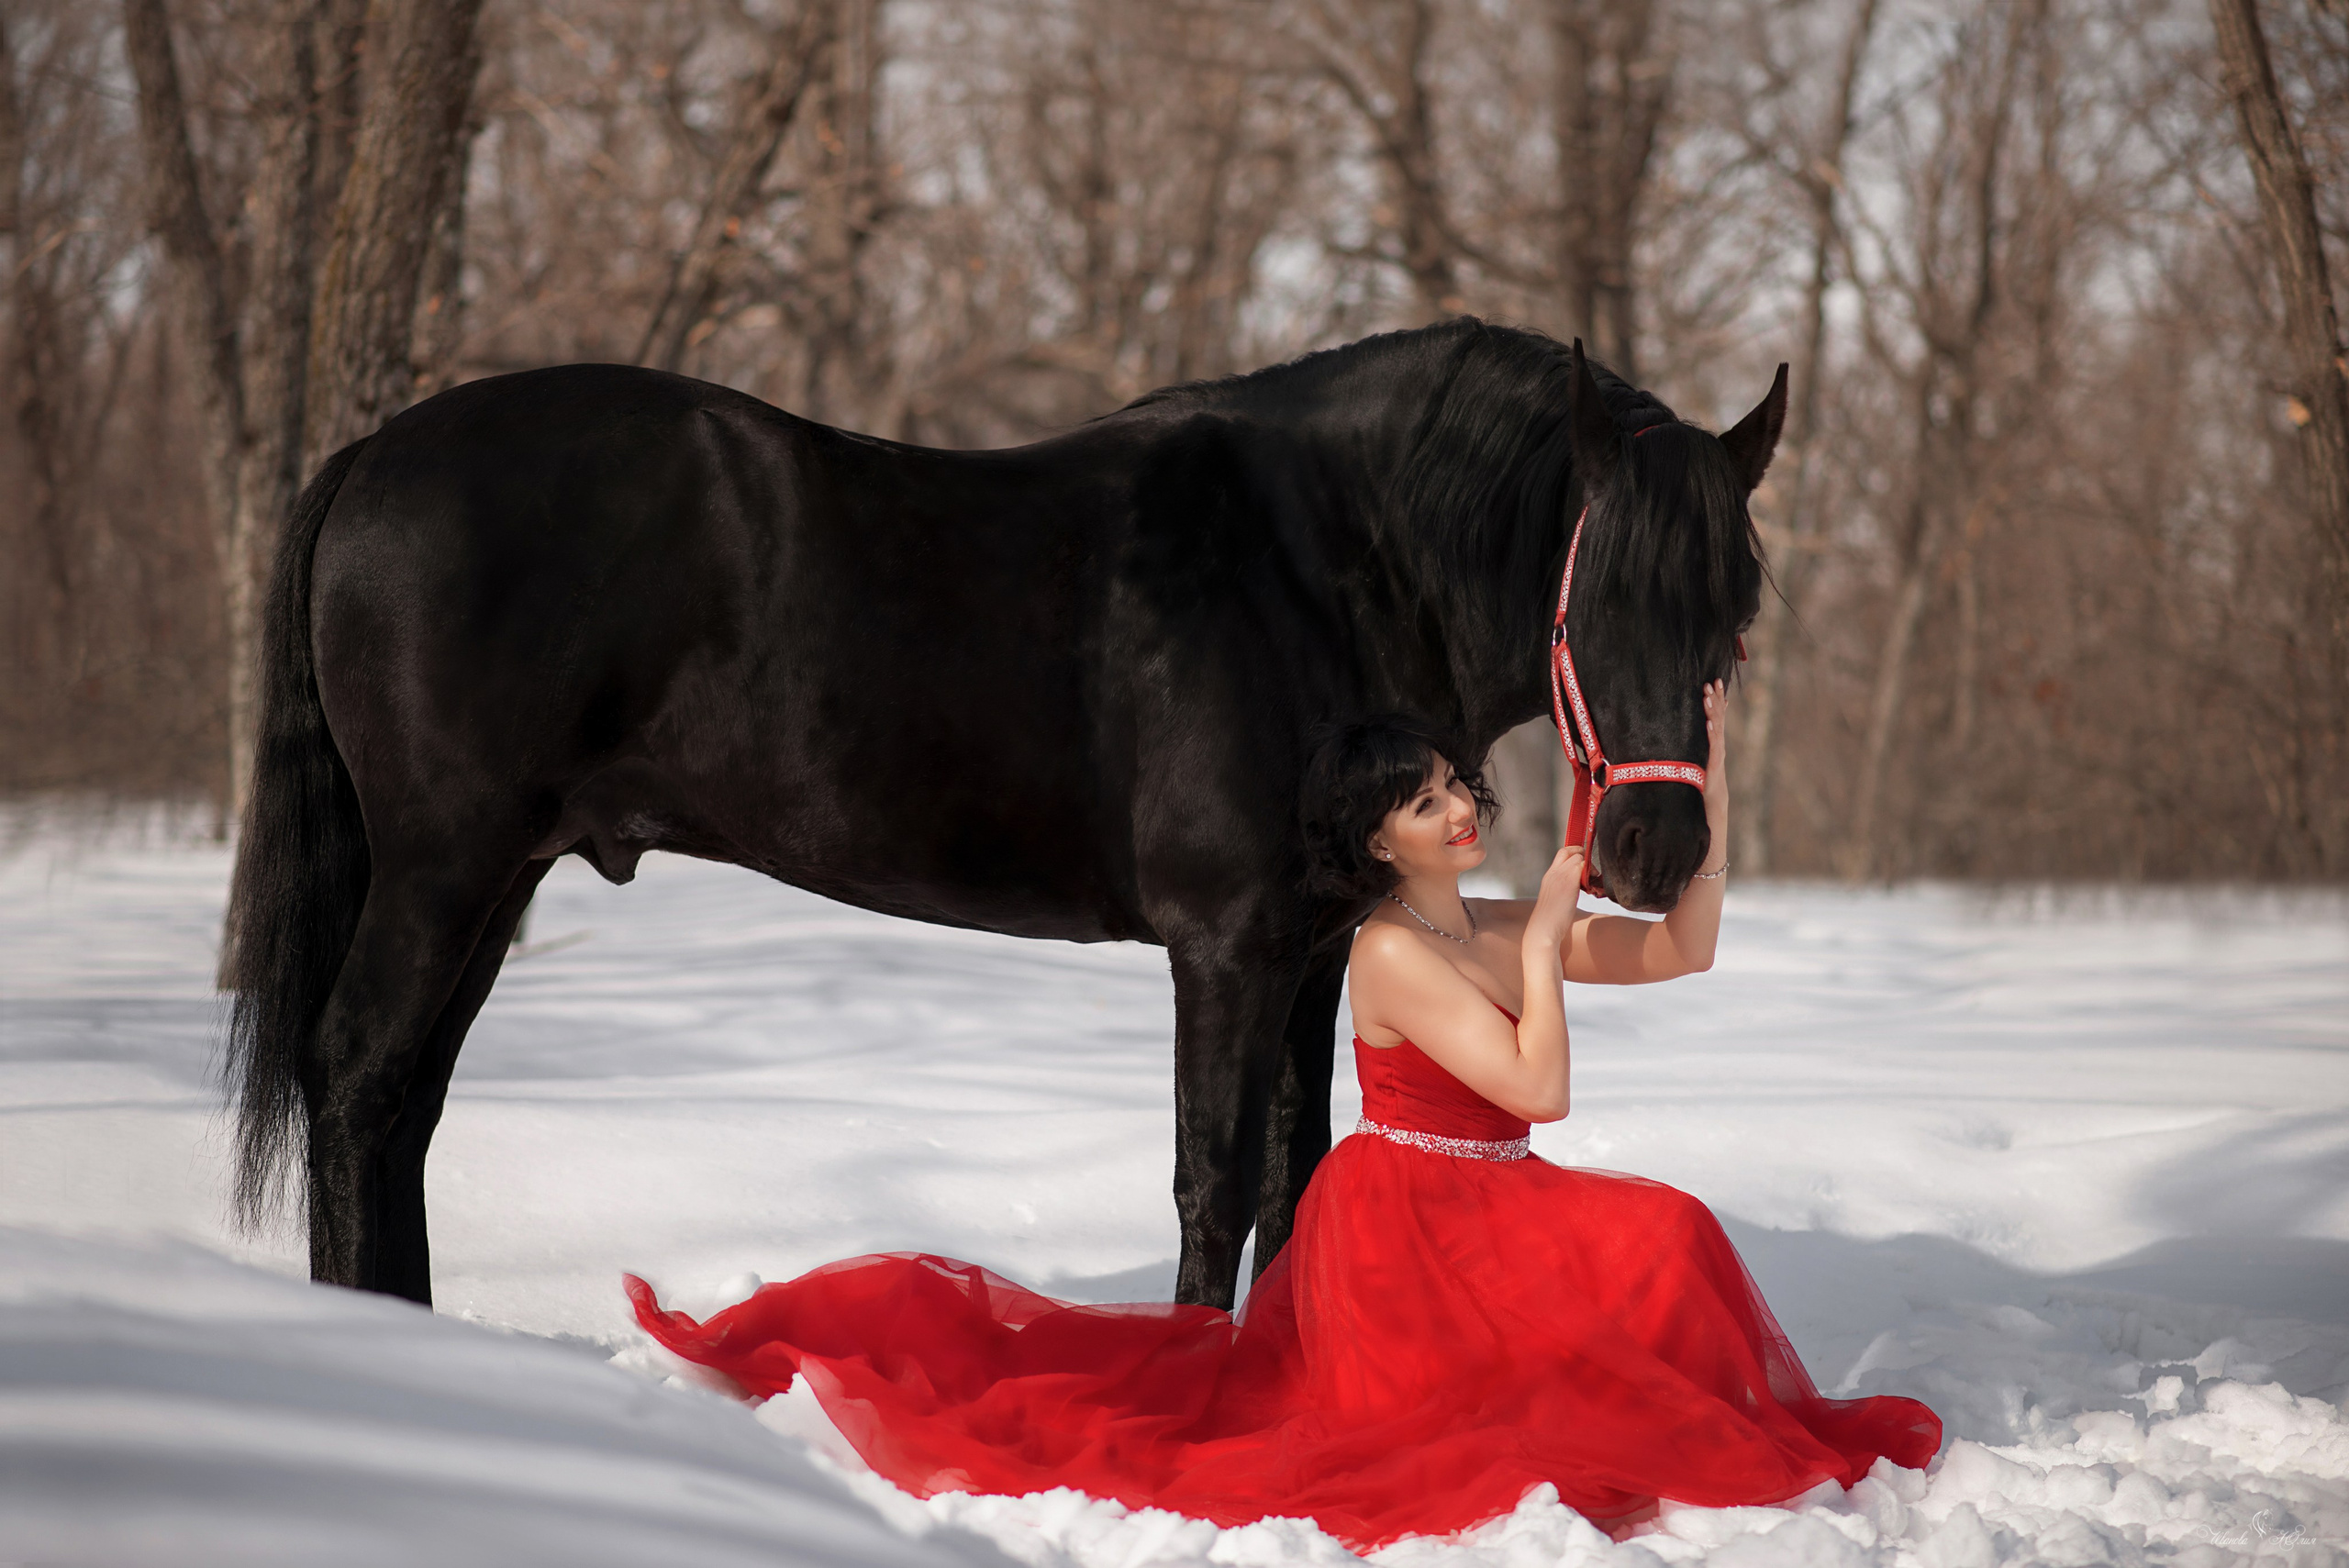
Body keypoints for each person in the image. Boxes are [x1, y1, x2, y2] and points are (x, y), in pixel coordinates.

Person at [623, 684, 1943, 1548]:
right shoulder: (1387, 953)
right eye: (1429, 800)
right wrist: (1545, 937)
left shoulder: (1475, 917)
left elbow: (1678, 953)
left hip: (1494, 1197)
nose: (1462, 807)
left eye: (1456, 786)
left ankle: (1693, 1413)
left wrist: (1708, 792)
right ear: (1380, 841)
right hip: (1413, 1225)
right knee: (1635, 1258)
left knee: (1670, 1235)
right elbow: (1541, 1086)